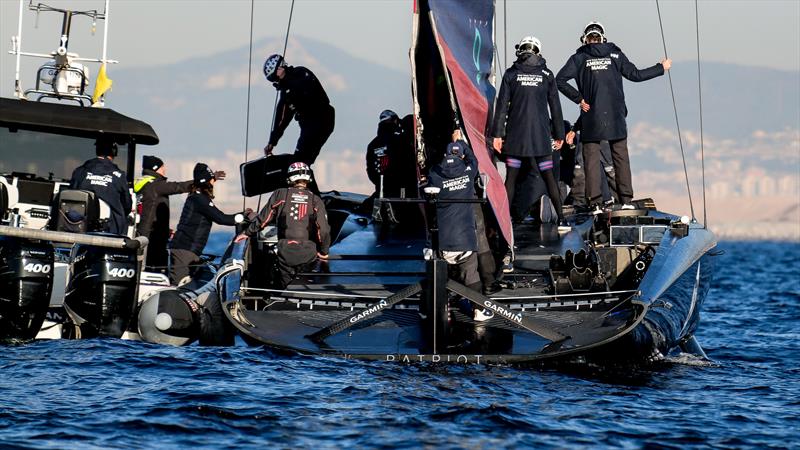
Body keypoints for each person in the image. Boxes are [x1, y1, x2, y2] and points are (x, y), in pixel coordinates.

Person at [556, 21, 671, 211]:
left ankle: (595, 203)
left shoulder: (579, 58)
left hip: (591, 118)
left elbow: (559, 80)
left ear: (585, 39)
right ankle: (625, 201)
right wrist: (661, 67)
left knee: (591, 160)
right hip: (616, 117)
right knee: (620, 158)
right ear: (603, 37)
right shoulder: (616, 54)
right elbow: (636, 75)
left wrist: (579, 99)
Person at [491, 36, 568, 232]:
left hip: (515, 140)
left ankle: (504, 221)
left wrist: (497, 135)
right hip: (540, 139)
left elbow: (501, 108)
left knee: (511, 179)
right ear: (538, 52)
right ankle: (562, 220)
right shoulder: (547, 75)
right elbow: (556, 108)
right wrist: (559, 134)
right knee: (549, 177)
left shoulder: (511, 74)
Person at [234, 162, 331, 289]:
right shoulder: (315, 200)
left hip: (286, 252)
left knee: (285, 287)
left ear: (289, 178)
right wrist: (324, 251)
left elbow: (263, 219)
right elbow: (323, 230)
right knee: (305, 286)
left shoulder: (280, 194)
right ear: (308, 178)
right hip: (309, 253)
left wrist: (246, 233)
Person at [134, 156, 225, 272]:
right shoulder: (156, 186)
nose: (165, 170)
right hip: (152, 240)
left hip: (144, 234)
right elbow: (178, 187)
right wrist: (207, 179)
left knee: (147, 268)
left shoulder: (142, 185)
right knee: (154, 270)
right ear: (155, 169)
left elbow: (147, 213)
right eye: (162, 168)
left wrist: (165, 231)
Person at [169, 163, 246, 285]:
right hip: (184, 251)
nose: (213, 183)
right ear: (207, 183)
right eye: (212, 180)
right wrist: (243, 216)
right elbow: (221, 218)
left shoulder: (196, 196)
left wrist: (212, 176)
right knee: (178, 288)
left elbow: (200, 181)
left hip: (189, 250)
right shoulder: (200, 200)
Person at [427, 131, 481, 294]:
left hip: (443, 241)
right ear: (462, 156)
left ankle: (441, 301)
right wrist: (461, 143)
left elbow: (431, 174)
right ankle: (478, 309)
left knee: (440, 276)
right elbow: (474, 159)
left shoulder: (435, 174)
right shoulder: (468, 171)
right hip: (465, 241)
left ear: (445, 154)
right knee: (471, 275)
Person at [262, 54, 335, 166]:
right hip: (311, 125)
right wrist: (272, 141)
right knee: (303, 162)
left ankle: (302, 181)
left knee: (299, 162)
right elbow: (282, 118)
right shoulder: (285, 91)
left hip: (319, 119)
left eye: (276, 80)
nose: (277, 84)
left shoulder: (300, 73)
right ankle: (305, 182)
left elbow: (307, 93)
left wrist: (284, 79)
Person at [69, 137, 131, 235]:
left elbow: (71, 194)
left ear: (97, 150)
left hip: (78, 225)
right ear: (114, 152)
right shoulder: (119, 176)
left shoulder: (80, 171)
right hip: (111, 231)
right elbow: (127, 205)